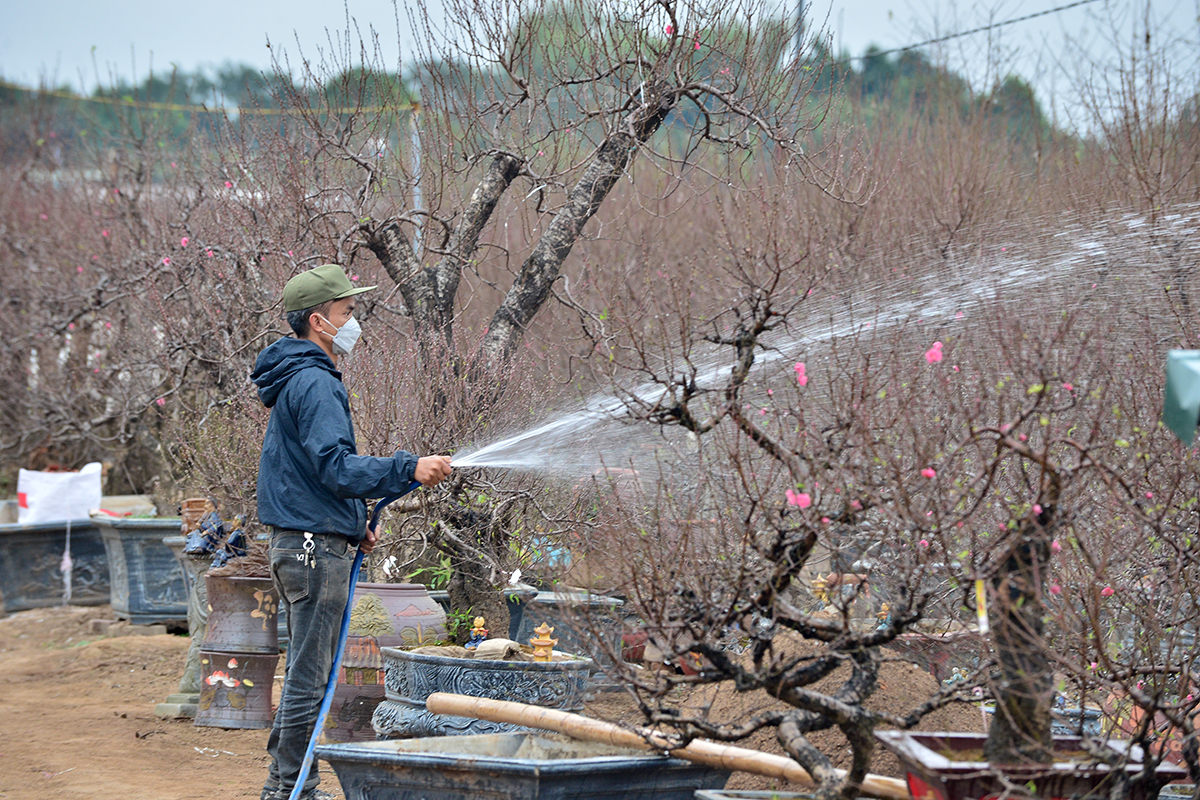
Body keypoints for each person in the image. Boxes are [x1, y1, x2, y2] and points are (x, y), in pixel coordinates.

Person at [251, 263, 452, 800]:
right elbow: (335, 468)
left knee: (303, 673)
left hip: (307, 543)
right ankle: (289, 791)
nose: (354, 321)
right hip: (313, 551)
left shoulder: (297, 378)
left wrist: (348, 523)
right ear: (319, 320)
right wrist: (407, 468)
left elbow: (303, 476)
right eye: (347, 312)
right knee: (309, 679)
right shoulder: (315, 382)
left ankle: (286, 786)